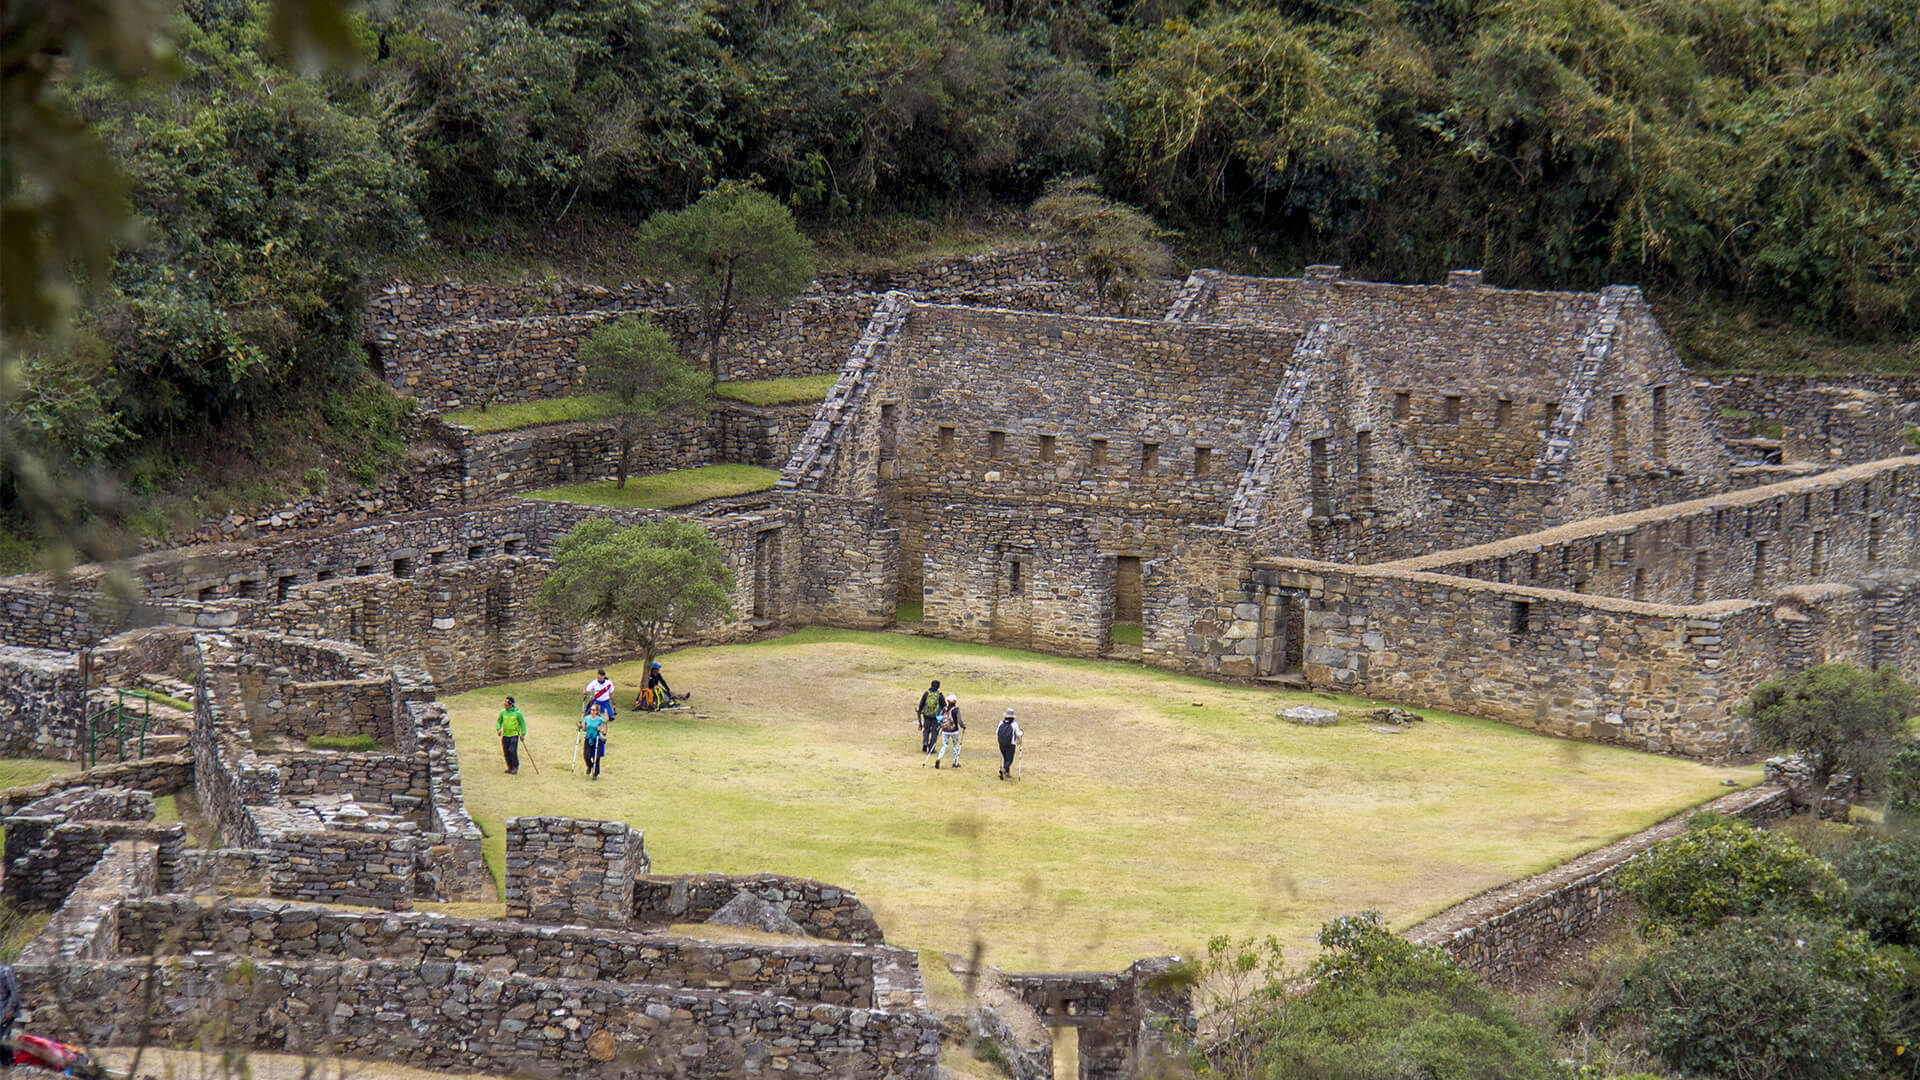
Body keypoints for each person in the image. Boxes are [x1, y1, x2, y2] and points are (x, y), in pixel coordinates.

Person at [497, 696, 525, 774]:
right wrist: (498, 729)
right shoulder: (503, 712)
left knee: (512, 751)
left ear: (511, 705)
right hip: (505, 735)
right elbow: (499, 721)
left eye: (506, 704)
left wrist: (523, 734)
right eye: (504, 704)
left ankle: (515, 767)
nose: (505, 706)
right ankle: (510, 767)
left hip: (514, 735)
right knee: (506, 752)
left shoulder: (517, 713)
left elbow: (522, 724)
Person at [935, 693, 965, 769]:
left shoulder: (944, 709)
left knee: (944, 745)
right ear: (955, 702)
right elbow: (960, 721)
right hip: (954, 731)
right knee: (955, 745)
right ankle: (955, 762)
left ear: (948, 701)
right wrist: (963, 726)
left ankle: (939, 758)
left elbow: (939, 719)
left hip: (945, 730)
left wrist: (940, 726)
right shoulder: (956, 710)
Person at [579, 706, 608, 780]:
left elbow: (603, 730)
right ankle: (590, 766)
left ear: (596, 711)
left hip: (596, 739)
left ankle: (595, 773)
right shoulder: (587, 718)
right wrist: (581, 727)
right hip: (588, 738)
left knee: (596, 757)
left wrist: (600, 729)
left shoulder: (599, 720)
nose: (592, 711)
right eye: (591, 710)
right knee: (586, 755)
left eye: (594, 710)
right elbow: (585, 728)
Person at [917, 679, 944, 754]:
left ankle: (925, 742)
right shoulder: (940, 695)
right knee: (934, 732)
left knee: (926, 729)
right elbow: (944, 706)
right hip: (936, 716)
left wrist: (920, 711)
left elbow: (921, 704)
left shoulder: (926, 693)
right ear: (938, 687)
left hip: (927, 715)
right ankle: (931, 749)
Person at [997, 708, 1024, 780]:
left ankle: (1006, 772)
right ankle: (1005, 770)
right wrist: (1022, 732)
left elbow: (997, 732)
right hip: (1010, 744)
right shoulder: (1014, 724)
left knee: (1005, 758)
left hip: (1001, 743)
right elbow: (1018, 734)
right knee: (1010, 759)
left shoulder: (1001, 722)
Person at [0, 962, 18, 1066]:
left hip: (6, 1010)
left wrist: (10, 1010)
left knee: (3, 1038)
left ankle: (9, 1061)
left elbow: (14, 993)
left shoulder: (6, 971)